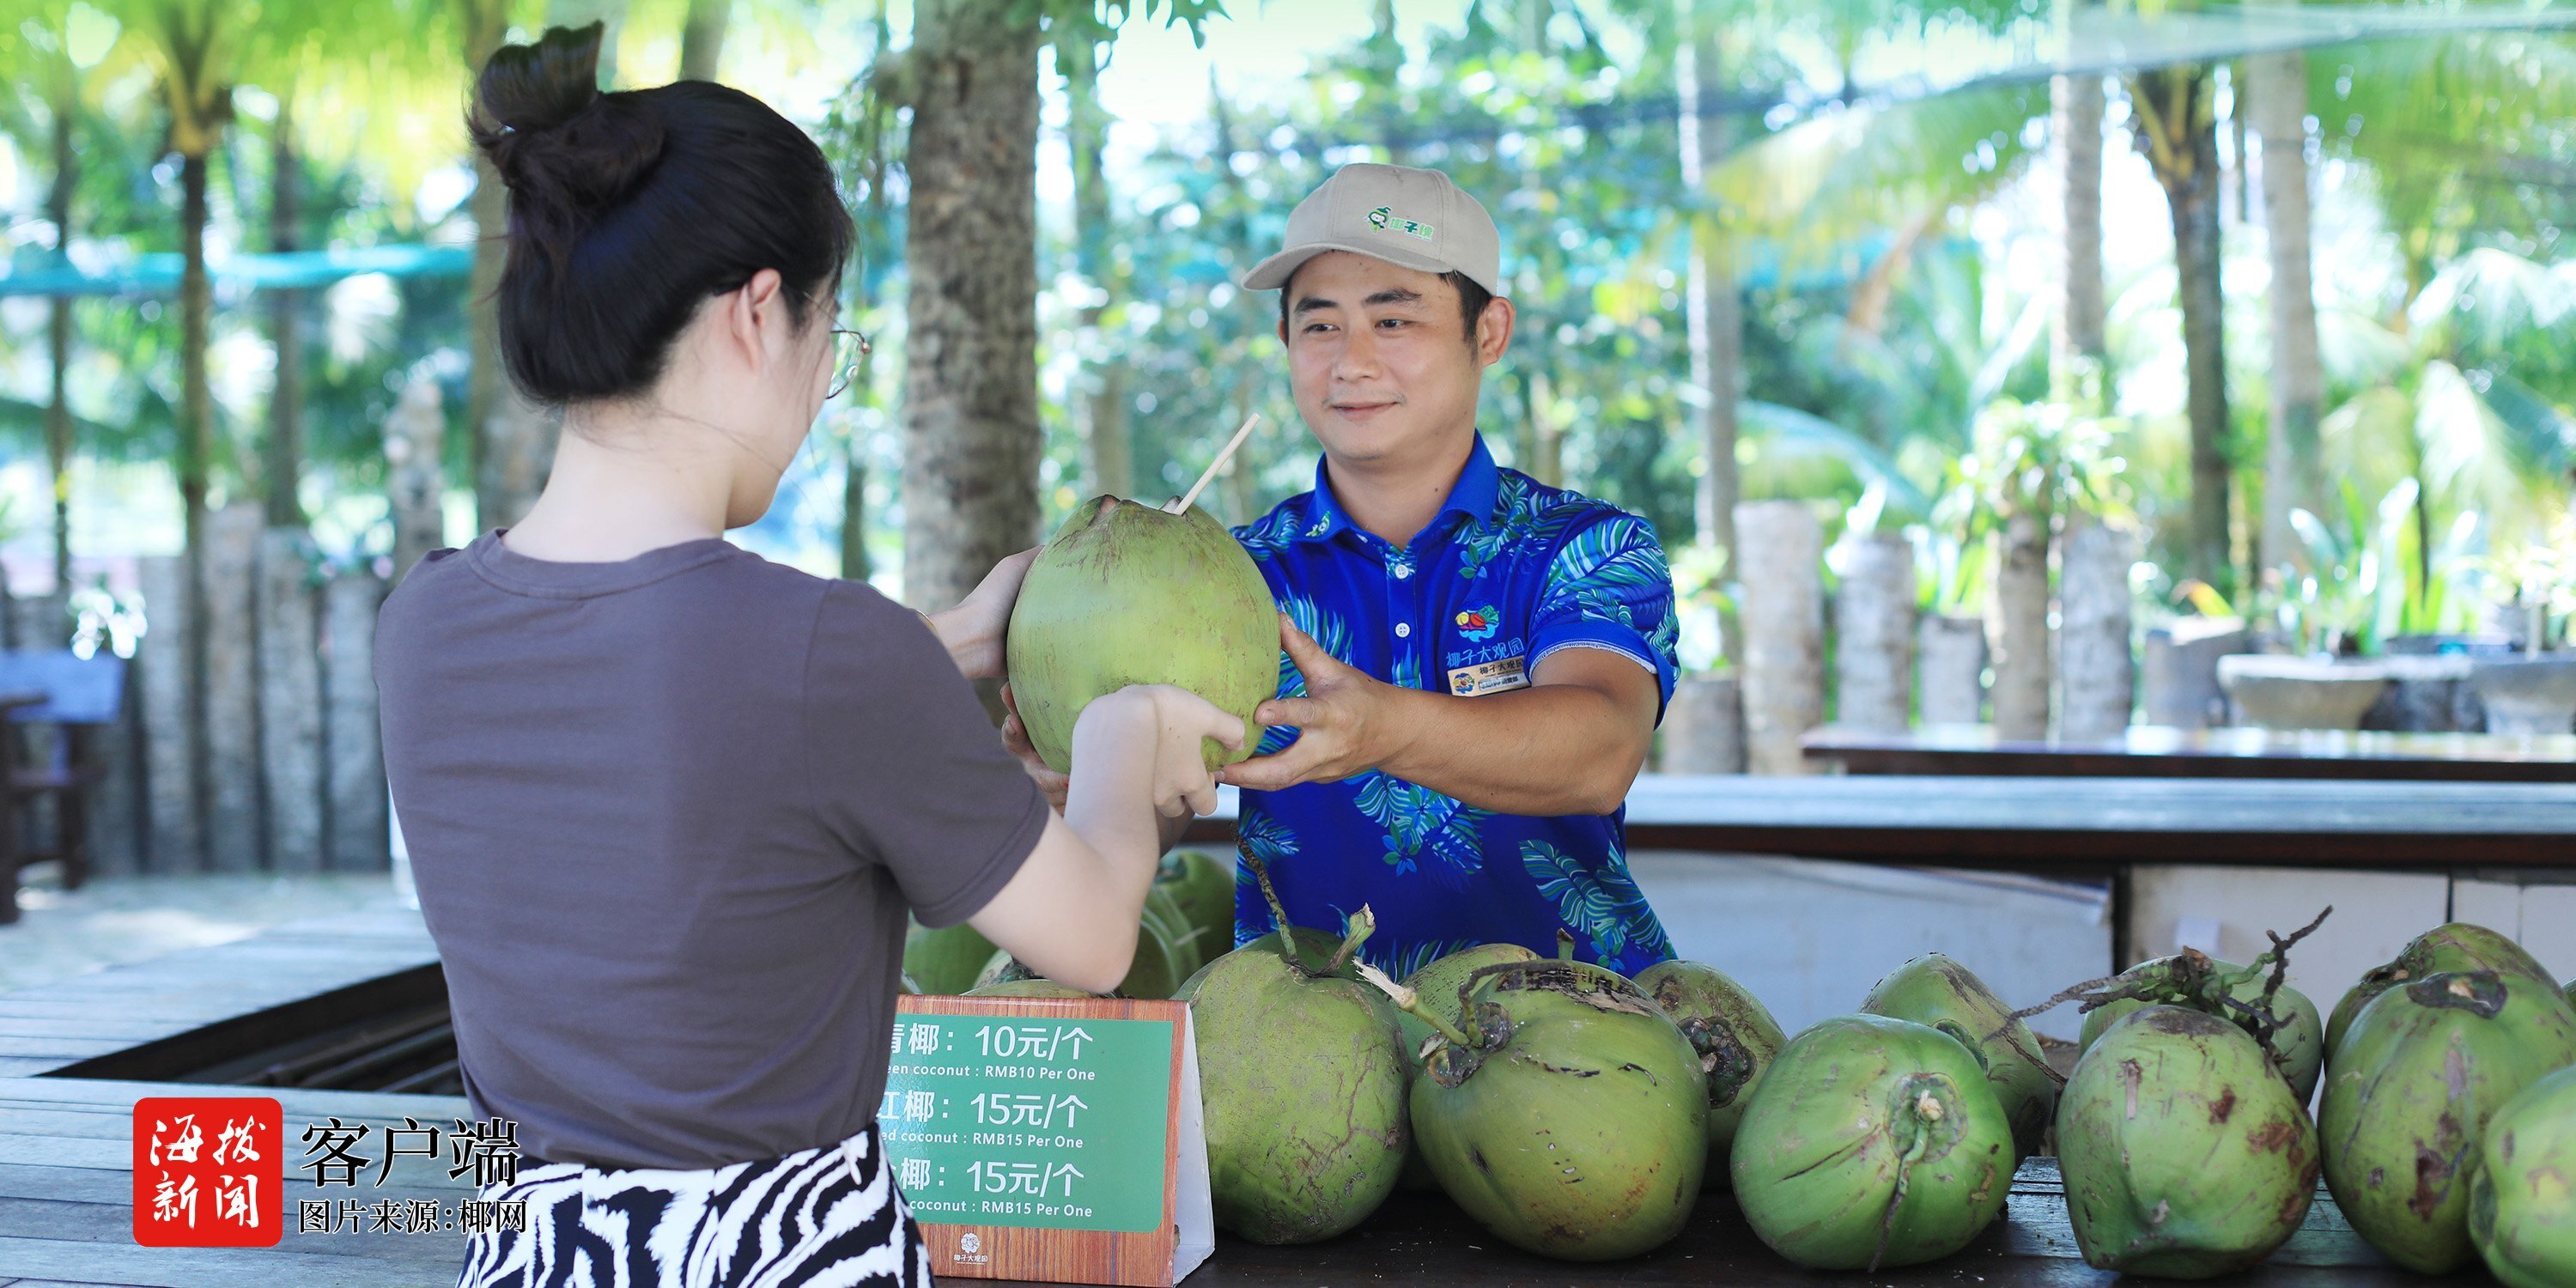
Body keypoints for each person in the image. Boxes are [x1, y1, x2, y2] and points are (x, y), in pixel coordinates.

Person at [374, 25, 1239, 1288]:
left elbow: (672, 716)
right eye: (834, 333)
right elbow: (1096, 938)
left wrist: (932, 650)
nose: (826, 375)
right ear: (756, 311)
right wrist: (1122, 732)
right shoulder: (833, 657)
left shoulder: (424, 621)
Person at [1220, 163, 1681, 979]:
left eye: (1394, 321)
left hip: (1581, 1049)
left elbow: (1604, 749)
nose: (1352, 363)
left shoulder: (1589, 547)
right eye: (1319, 326)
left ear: (1489, 332)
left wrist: (1383, 728)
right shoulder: (1236, 578)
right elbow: (1139, 790)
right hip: (1300, 1052)